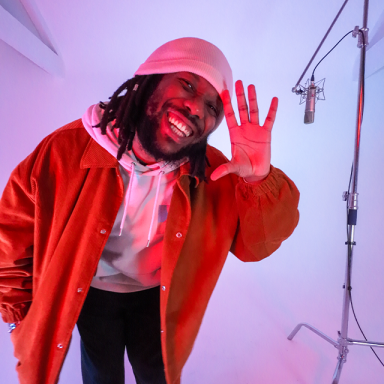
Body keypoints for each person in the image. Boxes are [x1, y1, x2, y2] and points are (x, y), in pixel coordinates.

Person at [0, 37, 300, 384]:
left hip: (157, 298)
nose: (197, 109)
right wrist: (19, 312)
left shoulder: (214, 173)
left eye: (212, 107)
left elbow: (256, 246)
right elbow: (11, 234)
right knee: (100, 375)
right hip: (93, 294)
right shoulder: (63, 152)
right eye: (187, 84)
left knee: (155, 374)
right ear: (150, 79)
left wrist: (258, 181)